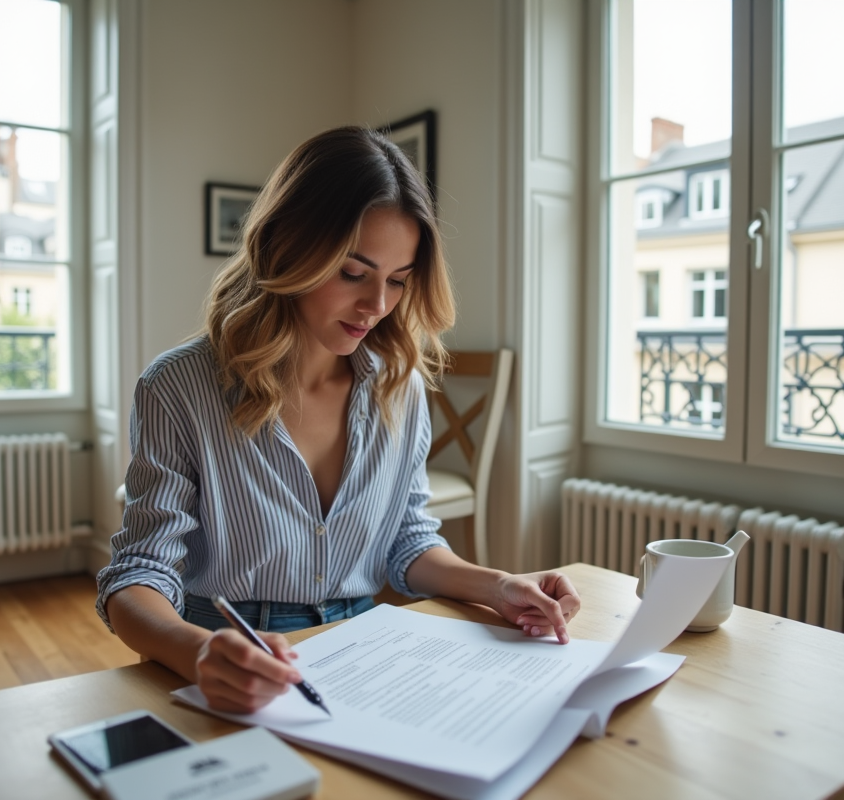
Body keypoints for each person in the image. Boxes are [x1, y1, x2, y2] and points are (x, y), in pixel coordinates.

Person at [96, 126, 581, 714]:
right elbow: (137, 575)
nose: (377, 306)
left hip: (363, 651)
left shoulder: (398, 387)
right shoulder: (179, 387)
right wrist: (201, 653)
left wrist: (499, 586)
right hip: (228, 656)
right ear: (288, 246)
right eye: (353, 273)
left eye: (398, 281)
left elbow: (409, 542)